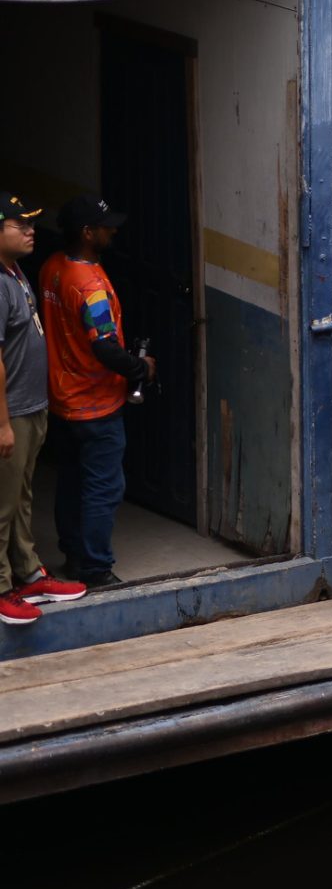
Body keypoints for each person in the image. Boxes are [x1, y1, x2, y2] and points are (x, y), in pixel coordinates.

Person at [39, 195, 153, 590]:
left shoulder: (52, 267)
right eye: (106, 226)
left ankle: (73, 555)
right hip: (96, 405)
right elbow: (103, 345)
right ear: (88, 233)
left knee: (70, 481)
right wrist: (141, 368)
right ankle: (96, 569)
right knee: (103, 488)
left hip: (61, 399)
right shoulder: (89, 285)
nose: (113, 231)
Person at [0, 193, 85, 625]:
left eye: (32, 223)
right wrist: (3, 424)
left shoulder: (14, 272)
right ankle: (1, 588)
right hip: (9, 411)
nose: (32, 231)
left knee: (22, 498)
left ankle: (28, 573)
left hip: (31, 406)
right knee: (2, 502)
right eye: (20, 225)